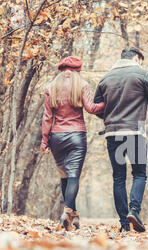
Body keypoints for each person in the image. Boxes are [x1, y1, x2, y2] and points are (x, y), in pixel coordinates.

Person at [94, 47, 148, 233]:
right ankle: (134, 210)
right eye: (141, 60)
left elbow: (97, 108)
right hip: (134, 133)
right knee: (139, 174)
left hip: (112, 134)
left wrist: (110, 120)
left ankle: (124, 224)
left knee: (118, 177)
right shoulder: (141, 74)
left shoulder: (105, 78)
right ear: (136, 58)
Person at [41, 56, 105, 231]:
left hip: (56, 137)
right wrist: (107, 103)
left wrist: (44, 141)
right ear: (77, 71)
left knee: (64, 176)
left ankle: (72, 214)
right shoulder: (82, 85)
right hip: (76, 135)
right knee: (74, 176)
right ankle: (67, 212)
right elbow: (91, 108)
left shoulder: (50, 87)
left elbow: (47, 117)